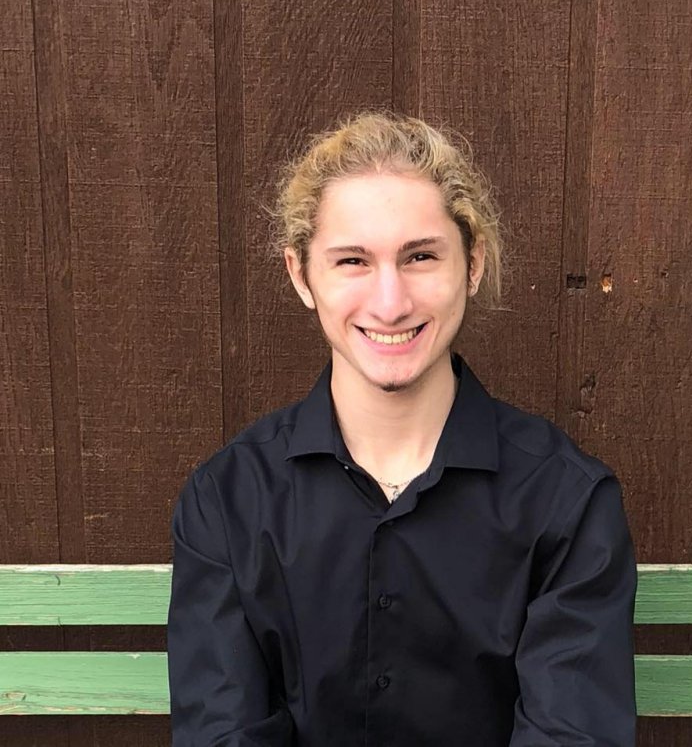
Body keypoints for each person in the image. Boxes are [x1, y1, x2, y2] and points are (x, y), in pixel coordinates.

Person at [167, 112, 637, 746]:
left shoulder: (567, 502)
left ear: (473, 263)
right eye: (352, 261)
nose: (390, 303)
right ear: (301, 276)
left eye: (420, 257)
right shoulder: (227, 501)